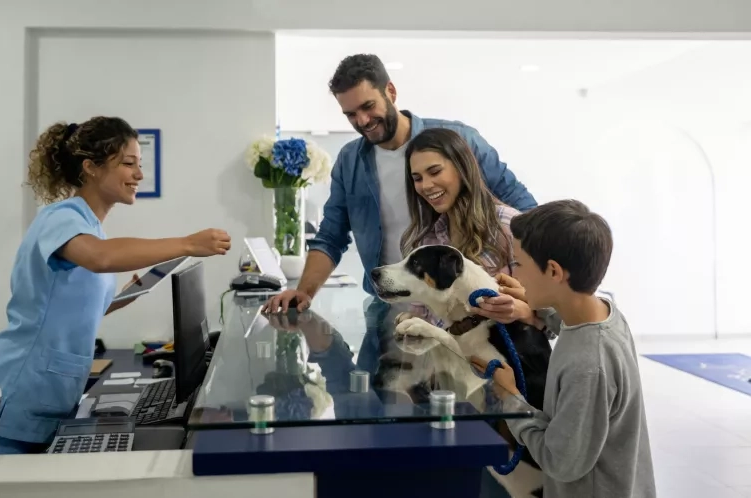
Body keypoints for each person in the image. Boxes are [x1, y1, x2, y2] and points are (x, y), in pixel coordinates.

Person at [0, 116, 232, 455]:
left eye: (139, 164)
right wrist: (187, 244)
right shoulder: (61, 218)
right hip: (13, 393)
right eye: (128, 164)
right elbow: (100, 258)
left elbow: (76, 302)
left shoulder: (89, 228)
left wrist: (124, 296)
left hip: (48, 395)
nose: (139, 175)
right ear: (91, 167)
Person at [263, 53, 536, 313]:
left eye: (368, 106)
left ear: (390, 91)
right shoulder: (349, 161)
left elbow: (525, 212)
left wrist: (530, 301)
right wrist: (305, 292)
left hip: (466, 306)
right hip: (388, 307)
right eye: (350, 114)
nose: (362, 121)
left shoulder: (458, 139)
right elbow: (332, 235)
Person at [489, 199, 656, 498]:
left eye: (520, 265)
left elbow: (560, 462)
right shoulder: (604, 312)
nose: (516, 275)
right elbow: (573, 326)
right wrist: (536, 308)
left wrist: (510, 399)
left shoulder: (588, 365)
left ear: (553, 271)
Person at [401, 127, 544, 331]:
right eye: (417, 178)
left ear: (462, 167)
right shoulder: (427, 240)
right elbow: (423, 316)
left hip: (510, 358)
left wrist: (524, 312)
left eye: (435, 172)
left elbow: (551, 316)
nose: (426, 185)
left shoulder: (508, 225)